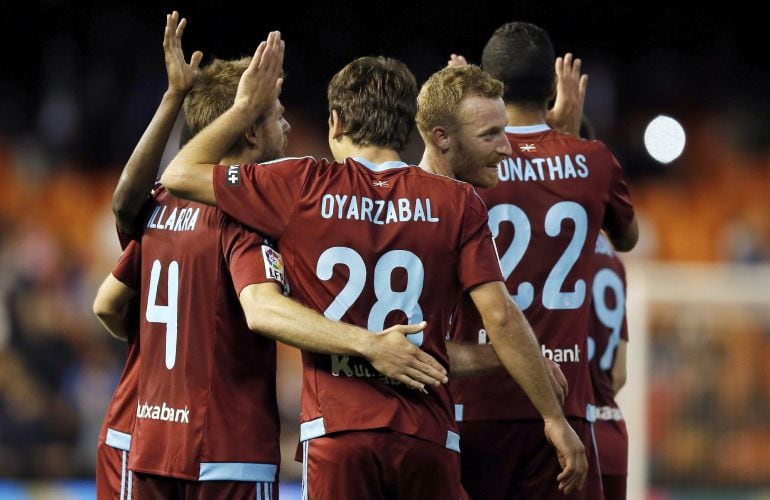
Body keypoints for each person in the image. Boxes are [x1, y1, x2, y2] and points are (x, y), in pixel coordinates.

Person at [161, 31, 586, 499]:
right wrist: (552, 416)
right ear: (409, 127)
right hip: (428, 436)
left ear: (336, 122)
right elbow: (497, 319)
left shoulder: (300, 185)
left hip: (338, 433)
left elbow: (178, 174)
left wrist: (244, 109)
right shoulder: (457, 200)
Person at [101, 14, 447, 500]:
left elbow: (107, 304)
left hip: (146, 435)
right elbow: (261, 310)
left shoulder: (161, 205)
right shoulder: (249, 218)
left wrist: (162, 348)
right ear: (246, 129)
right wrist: (368, 344)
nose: (286, 122)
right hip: (228, 447)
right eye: (275, 113)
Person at [422, 22, 637, 499]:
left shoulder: (469, 161)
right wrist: (569, 137)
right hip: (563, 405)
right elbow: (626, 238)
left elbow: (435, 175)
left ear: (488, 84)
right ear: (553, 86)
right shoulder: (594, 161)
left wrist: (458, 117)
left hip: (472, 402)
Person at [588, 232, 630, 500]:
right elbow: (619, 373)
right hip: (610, 432)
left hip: (565, 436)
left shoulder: (551, 246)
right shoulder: (614, 260)